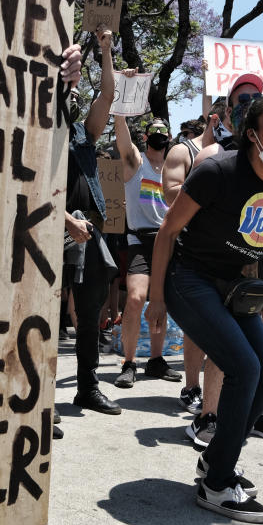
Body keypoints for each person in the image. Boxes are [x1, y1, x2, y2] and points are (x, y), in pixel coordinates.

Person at [146, 94, 263, 524]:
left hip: (235, 287)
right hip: (189, 280)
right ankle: (218, 485)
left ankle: (214, 460)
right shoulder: (216, 171)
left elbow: (255, 245)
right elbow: (167, 233)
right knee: (244, 369)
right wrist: (157, 299)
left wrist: (261, 298)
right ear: (252, 133)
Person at [61, 28, 121, 416]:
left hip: (87, 236)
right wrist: (65, 220)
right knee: (43, 320)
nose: (77, 99)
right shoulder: (38, 132)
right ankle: (37, 403)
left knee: (89, 318)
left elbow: (107, 96)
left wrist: (105, 52)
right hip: (52, 232)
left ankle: (87, 388)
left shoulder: (83, 134)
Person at [162, 103, 223, 438]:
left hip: (236, 253)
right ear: (217, 118)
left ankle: (217, 408)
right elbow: (171, 195)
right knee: (200, 327)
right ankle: (191, 388)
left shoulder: (255, 154)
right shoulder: (183, 151)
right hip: (194, 249)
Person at [113, 114, 181, 388]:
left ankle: (156, 360)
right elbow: (122, 140)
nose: (159, 135)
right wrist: (120, 111)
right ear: (145, 137)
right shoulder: (135, 163)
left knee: (161, 300)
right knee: (135, 298)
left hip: (169, 240)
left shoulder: (175, 168)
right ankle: (129, 363)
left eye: (164, 131)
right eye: (154, 131)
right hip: (139, 240)